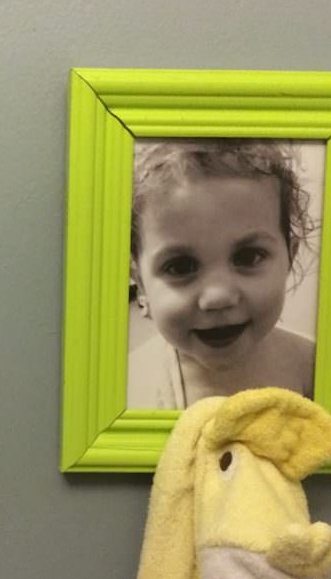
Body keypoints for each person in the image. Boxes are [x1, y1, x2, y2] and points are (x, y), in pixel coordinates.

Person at [128, 140, 317, 409]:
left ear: (290, 258)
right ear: (141, 282)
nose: (219, 297)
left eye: (248, 257)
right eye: (180, 267)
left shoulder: (315, 369)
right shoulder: (132, 388)